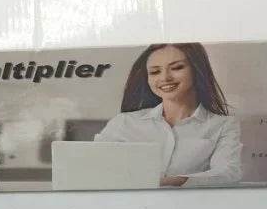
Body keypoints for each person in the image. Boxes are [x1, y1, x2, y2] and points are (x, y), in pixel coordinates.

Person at [95, 43, 242, 187]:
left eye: (177, 68)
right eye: (155, 72)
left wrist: (171, 182)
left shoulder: (223, 125)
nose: (165, 78)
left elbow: (228, 173)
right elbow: (94, 166)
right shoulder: (124, 122)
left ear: (197, 69)